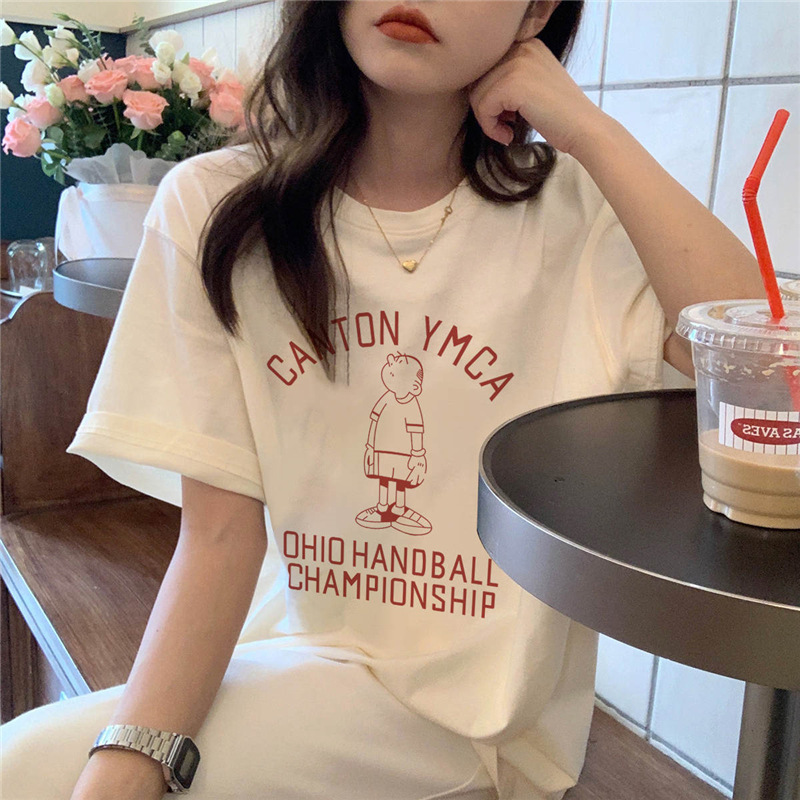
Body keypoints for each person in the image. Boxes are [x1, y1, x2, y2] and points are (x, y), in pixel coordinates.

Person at [0, 2, 763, 799]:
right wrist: (134, 757)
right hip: (286, 660)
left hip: (480, 720)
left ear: (537, 9)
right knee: (28, 768)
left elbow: (761, 377)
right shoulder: (218, 208)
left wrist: (590, 132)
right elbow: (218, 539)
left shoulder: (580, 217)